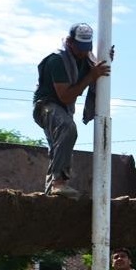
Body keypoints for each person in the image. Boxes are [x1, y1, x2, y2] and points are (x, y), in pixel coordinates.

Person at [32, 23, 111, 197]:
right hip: (46, 105)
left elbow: (97, 67)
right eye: (80, 47)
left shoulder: (86, 59)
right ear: (69, 42)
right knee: (67, 128)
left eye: (87, 47)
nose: (83, 52)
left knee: (59, 147)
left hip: (63, 109)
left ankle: (51, 192)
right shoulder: (57, 60)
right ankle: (58, 183)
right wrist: (91, 76)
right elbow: (66, 97)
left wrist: (106, 58)